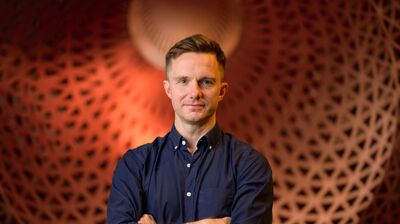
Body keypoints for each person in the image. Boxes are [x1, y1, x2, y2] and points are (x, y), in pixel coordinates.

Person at [107, 34, 273, 224]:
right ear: (169, 89)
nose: (195, 93)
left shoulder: (249, 165)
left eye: (206, 82)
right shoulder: (134, 165)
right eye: (183, 81)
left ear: (222, 91)